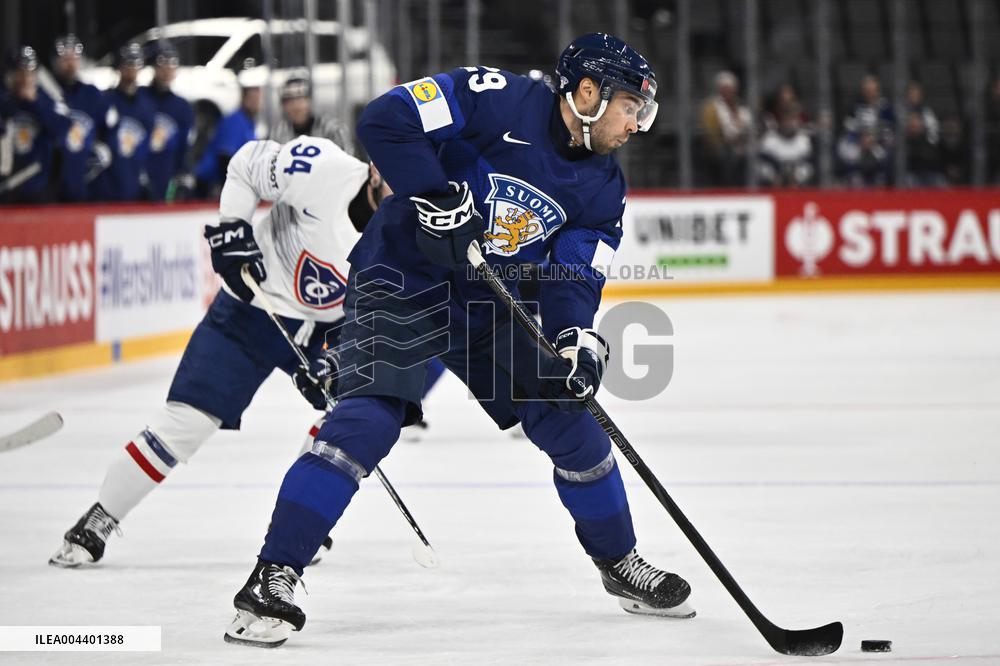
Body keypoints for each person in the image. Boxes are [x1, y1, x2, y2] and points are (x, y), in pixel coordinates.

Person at [223, 32, 693, 649]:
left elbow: (575, 274)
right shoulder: (496, 97)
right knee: (368, 420)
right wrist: (434, 195)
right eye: (630, 106)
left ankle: (619, 562)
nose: (636, 124)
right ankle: (272, 576)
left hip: (489, 298)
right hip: (403, 276)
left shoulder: (604, 186)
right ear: (587, 93)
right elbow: (386, 118)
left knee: (571, 422)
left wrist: (574, 339)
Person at [49, 137, 391, 568]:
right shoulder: (321, 167)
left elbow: (386, 315)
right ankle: (100, 517)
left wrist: (339, 360)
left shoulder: (411, 234)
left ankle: (302, 524)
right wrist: (234, 226)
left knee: (349, 420)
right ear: (375, 169)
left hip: (330, 329)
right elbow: (247, 164)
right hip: (249, 311)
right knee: (185, 424)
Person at [0, 45, 71, 203]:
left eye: (29, 73)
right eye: (20, 73)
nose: (25, 79)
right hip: (6, 189)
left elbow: (62, 130)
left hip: (38, 189)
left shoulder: (46, 99)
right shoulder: (3, 101)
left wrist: (35, 103)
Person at [48, 34, 110, 202]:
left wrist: (99, 148)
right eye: (65, 59)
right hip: (52, 181)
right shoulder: (46, 92)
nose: (70, 63)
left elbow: (107, 128)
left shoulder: (92, 94)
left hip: (84, 181)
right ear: (55, 61)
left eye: (74, 58)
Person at [93, 43, 155, 202]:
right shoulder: (105, 100)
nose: (132, 68)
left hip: (133, 184)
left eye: (136, 63)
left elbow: (147, 148)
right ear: (119, 66)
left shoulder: (146, 105)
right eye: (128, 63)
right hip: (107, 186)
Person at [195, 61, 262, 198]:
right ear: (244, 98)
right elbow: (224, 159)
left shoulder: (249, 123)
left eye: (258, 97)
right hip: (210, 185)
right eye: (252, 97)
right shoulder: (234, 121)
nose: (255, 101)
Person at [139, 40, 195, 201]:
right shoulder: (139, 97)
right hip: (137, 175)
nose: (166, 70)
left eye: (171, 64)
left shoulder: (182, 107)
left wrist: (183, 175)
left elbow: (184, 149)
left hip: (166, 177)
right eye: (162, 63)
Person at [270, 76, 353, 154]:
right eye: (290, 102)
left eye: (300, 100)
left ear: (310, 101)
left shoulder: (332, 130)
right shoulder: (278, 133)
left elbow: (348, 160)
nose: (296, 106)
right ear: (283, 106)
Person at [699, 70, 753, 186]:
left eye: (731, 89)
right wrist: (728, 139)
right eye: (725, 89)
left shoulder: (742, 107)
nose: (728, 92)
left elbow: (749, 126)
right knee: (726, 157)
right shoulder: (711, 108)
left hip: (742, 145)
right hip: (722, 147)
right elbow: (711, 132)